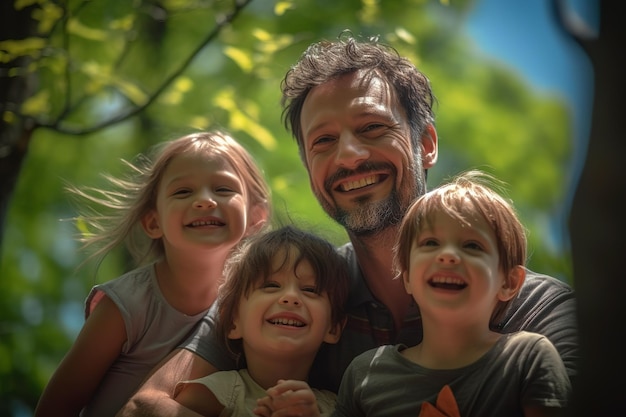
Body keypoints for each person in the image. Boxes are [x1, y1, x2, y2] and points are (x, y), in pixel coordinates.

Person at [118, 33, 577, 416]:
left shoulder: (537, 314)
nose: (349, 156)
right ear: (308, 166)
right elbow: (146, 406)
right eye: (323, 141)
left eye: (373, 128)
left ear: (427, 143)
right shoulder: (294, 290)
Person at [34, 131, 271, 417]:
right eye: (183, 191)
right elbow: (56, 407)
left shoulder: (255, 307)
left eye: (223, 189)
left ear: (255, 218)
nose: (205, 201)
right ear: (153, 221)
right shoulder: (126, 304)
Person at [332, 170, 571, 417]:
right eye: (430, 243)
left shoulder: (527, 359)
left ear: (509, 282)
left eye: (472, 246)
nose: (447, 255)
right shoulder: (366, 374)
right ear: (407, 277)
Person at [173, 225, 349, 417]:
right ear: (233, 321)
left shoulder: (338, 406)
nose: (290, 297)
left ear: (333, 327)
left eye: (310, 290)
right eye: (271, 285)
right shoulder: (215, 394)